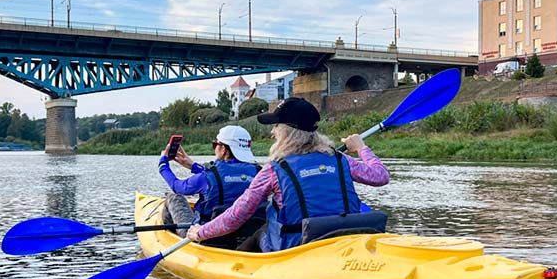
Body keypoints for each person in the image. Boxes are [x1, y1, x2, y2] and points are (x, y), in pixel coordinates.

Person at [186, 97, 390, 252]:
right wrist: (362, 147)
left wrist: (200, 232)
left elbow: (237, 216)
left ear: (287, 131)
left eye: (276, 126)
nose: (273, 132)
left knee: (261, 232)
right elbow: (380, 176)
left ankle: (235, 269)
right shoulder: (339, 159)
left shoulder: (274, 170)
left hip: (296, 248)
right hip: (344, 240)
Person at [158, 125, 260, 244]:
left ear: (223, 149)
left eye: (215, 144)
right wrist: (192, 166)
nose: (215, 148)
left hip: (205, 236)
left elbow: (177, 187)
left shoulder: (208, 176)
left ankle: (168, 238)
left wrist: (163, 165)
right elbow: (225, 178)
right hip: (248, 233)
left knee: (173, 197)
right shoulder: (259, 172)